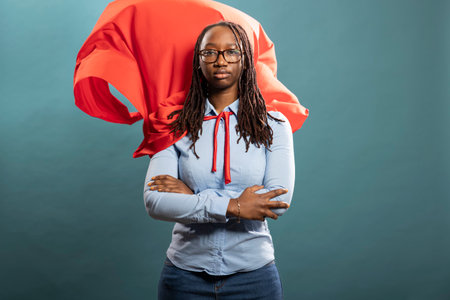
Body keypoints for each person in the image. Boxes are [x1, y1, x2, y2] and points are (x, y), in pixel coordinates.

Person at [143, 20, 295, 299]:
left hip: (254, 277)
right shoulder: (173, 123)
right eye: (209, 52)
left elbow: (278, 201)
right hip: (184, 277)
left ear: (245, 59)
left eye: (231, 52)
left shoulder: (273, 124)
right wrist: (235, 206)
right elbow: (155, 202)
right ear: (198, 62)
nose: (220, 60)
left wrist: (193, 196)